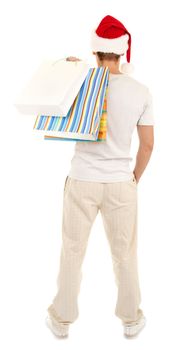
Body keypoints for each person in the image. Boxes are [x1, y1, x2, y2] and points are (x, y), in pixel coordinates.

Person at [46, 14, 154, 339]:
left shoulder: (81, 83)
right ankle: (131, 319)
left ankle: (62, 321)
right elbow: (147, 145)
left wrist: (67, 68)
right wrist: (132, 177)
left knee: (72, 250)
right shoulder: (140, 91)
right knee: (124, 254)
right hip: (121, 183)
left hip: (82, 180)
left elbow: (49, 94)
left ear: (95, 52)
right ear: (122, 53)